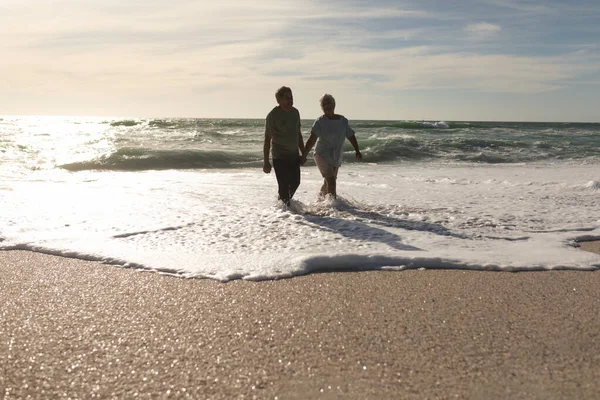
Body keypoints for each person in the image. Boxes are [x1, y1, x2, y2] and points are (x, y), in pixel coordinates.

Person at [301, 94, 362, 199]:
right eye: (324, 104)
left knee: (328, 181)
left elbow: (351, 135)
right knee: (331, 181)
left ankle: (321, 200)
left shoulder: (343, 121)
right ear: (322, 108)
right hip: (321, 155)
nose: (327, 106)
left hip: (335, 156)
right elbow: (312, 140)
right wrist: (304, 155)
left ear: (334, 105)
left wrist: (357, 150)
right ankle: (333, 207)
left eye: (329, 103)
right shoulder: (320, 122)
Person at [263, 86, 305, 206]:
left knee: (296, 182)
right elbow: (267, 139)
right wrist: (266, 162)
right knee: (283, 185)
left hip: (294, 155)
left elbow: (299, 135)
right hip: (279, 156)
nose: (290, 101)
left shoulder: (295, 113)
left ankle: (282, 204)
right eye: (286, 98)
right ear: (279, 100)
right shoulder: (272, 115)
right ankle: (286, 213)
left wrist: (303, 153)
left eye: (291, 97)